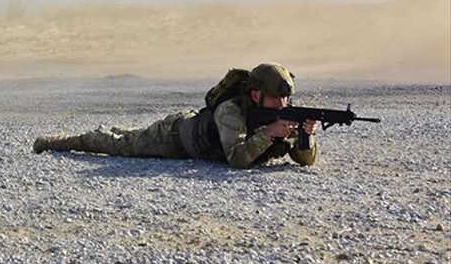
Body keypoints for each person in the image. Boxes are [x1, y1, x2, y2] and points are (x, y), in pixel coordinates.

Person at [33, 63, 319, 169]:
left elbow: (305, 161)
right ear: (256, 96)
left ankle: (119, 130)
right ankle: (56, 142)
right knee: (118, 145)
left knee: (127, 135)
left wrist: (305, 137)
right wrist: (269, 134)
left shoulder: (279, 112)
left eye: (286, 98)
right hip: (173, 137)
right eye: (276, 98)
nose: (282, 103)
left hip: (192, 135)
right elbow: (237, 160)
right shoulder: (231, 111)